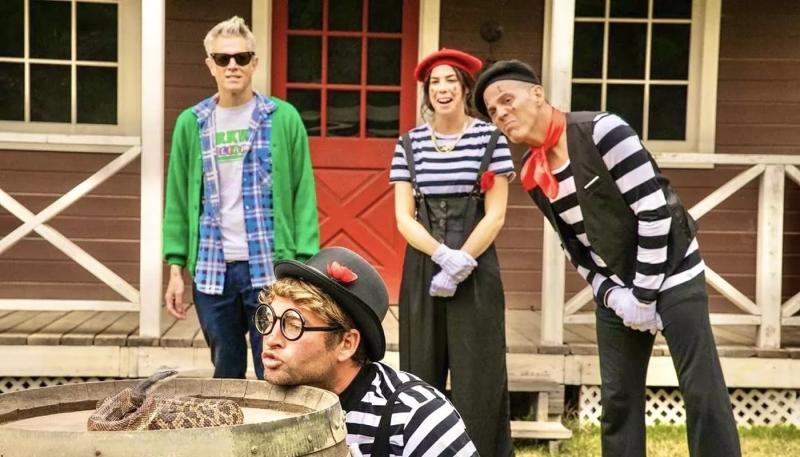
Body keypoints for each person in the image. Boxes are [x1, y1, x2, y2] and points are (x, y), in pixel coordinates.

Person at [475, 60, 741, 457]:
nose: (501, 114)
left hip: (673, 272)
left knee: (702, 390)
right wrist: (613, 296)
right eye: (493, 111)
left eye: (507, 100)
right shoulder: (533, 173)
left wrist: (644, 295)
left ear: (538, 94)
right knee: (618, 401)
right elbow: (576, 247)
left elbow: (654, 213)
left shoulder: (603, 130)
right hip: (619, 289)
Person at [162, 16, 319, 380]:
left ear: (254, 63)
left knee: (275, 367)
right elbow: (178, 200)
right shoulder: (192, 122)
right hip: (211, 267)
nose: (232, 65)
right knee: (226, 368)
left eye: (242, 57)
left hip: (270, 266)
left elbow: (303, 194)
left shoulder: (282, 118)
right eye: (223, 58)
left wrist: (304, 267)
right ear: (210, 65)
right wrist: (175, 269)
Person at [390, 49, 514, 456]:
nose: (442, 89)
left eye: (450, 81)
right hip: (424, 267)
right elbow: (404, 217)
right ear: (427, 92)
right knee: (420, 370)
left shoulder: (490, 140)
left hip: (477, 267)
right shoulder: (408, 144)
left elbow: (495, 214)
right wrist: (443, 256)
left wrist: (462, 261)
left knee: (479, 372)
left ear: (465, 88)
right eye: (435, 83)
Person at [258, 246, 478, 456]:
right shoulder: (263, 408)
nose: (271, 339)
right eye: (268, 319)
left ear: (346, 344)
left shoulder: (418, 417)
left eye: (293, 325)